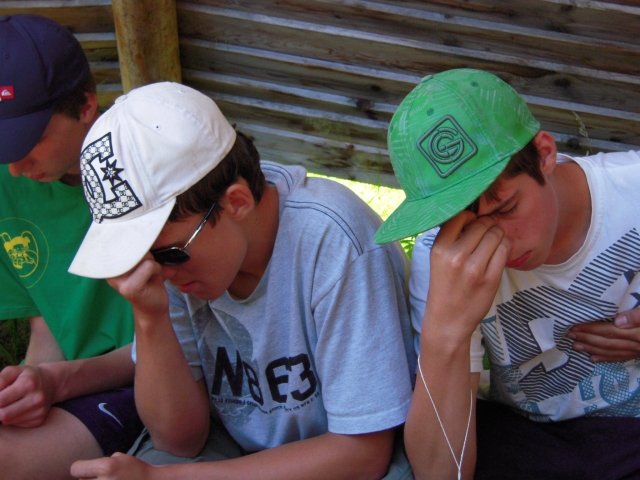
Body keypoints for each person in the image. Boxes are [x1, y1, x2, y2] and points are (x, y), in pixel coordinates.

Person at [67, 81, 416, 480]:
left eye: (167, 254)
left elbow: (363, 454)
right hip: (238, 452)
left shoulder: (333, 241)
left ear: (237, 202)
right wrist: (150, 316)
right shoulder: (176, 262)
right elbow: (178, 440)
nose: (159, 274)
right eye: (138, 259)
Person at [374, 68, 640, 480]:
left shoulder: (632, 190)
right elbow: (442, 473)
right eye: (463, 225)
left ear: (544, 154)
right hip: (526, 440)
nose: (497, 243)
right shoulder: (445, 257)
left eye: (506, 209)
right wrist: (445, 332)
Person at [0, 14, 142, 480]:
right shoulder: (7, 185)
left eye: (30, 140)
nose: (16, 167)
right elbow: (50, 326)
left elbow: (188, 343)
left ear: (85, 105)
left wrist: (56, 382)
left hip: (162, 381)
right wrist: (25, 387)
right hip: (73, 385)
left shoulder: (148, 166)